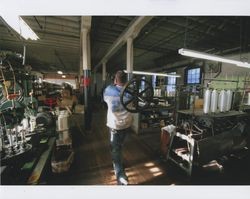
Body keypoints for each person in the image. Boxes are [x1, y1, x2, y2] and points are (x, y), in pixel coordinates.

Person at [103, 70, 133, 185]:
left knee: (116, 149)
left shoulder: (108, 91)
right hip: (127, 124)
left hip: (115, 125)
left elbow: (108, 90)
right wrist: (126, 84)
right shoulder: (131, 92)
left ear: (115, 80)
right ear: (126, 81)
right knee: (120, 145)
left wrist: (115, 82)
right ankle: (119, 162)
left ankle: (120, 174)